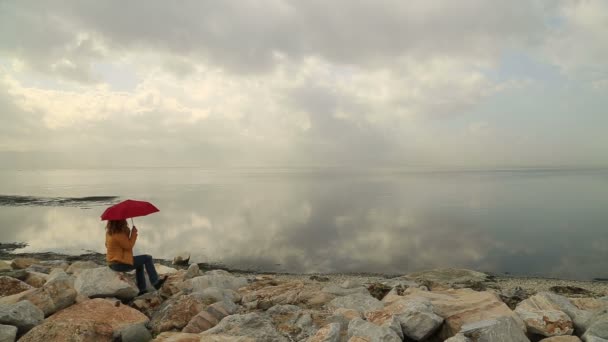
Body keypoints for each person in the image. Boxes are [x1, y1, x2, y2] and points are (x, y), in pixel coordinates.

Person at [105, 219, 167, 295]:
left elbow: (107, 244)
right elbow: (129, 245)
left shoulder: (109, 233)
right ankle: (156, 283)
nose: (125, 220)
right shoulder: (118, 234)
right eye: (124, 220)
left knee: (140, 264)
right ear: (120, 222)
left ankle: (142, 290)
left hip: (113, 264)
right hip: (119, 264)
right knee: (147, 258)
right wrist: (134, 233)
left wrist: (128, 231)